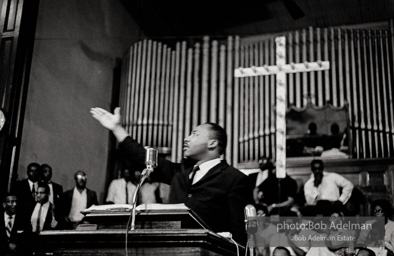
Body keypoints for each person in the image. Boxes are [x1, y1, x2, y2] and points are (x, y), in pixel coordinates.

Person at [90, 107, 251, 245]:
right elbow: (143, 158)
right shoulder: (180, 173)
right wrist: (117, 129)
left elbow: (242, 236)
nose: (186, 139)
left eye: (194, 134)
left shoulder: (235, 179)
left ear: (212, 143)